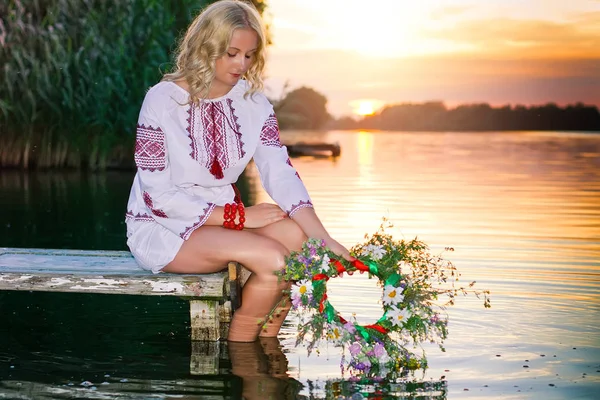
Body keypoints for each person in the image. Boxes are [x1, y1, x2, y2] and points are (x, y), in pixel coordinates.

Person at [125, 0, 350, 342]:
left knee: (300, 246)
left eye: (249, 55)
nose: (241, 64)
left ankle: (267, 347)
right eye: (231, 53)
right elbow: (158, 198)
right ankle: (243, 358)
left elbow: (280, 172)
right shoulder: (160, 101)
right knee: (274, 259)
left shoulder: (254, 102)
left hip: (224, 220)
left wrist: (324, 238)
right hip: (162, 227)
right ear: (206, 45)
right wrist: (240, 218)